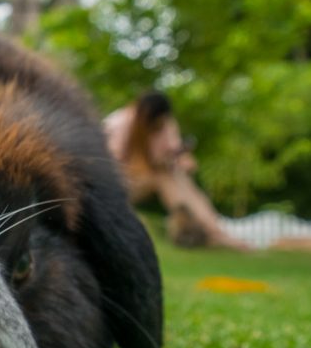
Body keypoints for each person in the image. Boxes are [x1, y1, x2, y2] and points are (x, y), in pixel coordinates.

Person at [104, 92, 250, 250]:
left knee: (176, 177)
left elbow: (175, 152)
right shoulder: (119, 123)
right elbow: (107, 167)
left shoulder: (164, 123)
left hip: (152, 178)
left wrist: (181, 158)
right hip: (117, 186)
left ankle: (211, 231)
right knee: (163, 176)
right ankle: (209, 232)